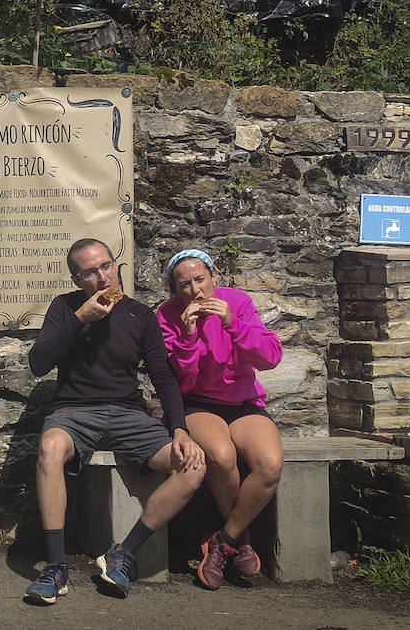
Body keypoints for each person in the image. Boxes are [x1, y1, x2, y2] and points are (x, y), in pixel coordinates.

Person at [23, 238, 206, 605]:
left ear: (116, 264)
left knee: (194, 465)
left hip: (126, 413)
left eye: (106, 265)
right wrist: (79, 320)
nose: (102, 276)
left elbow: (163, 376)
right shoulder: (65, 308)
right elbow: (38, 363)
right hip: (74, 412)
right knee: (49, 447)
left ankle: (123, 553)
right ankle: (56, 566)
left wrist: (180, 429)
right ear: (77, 280)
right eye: (90, 272)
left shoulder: (139, 314)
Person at [157, 248, 284, 591]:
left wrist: (233, 323)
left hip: (243, 402)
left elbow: (271, 357)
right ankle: (241, 542)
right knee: (222, 455)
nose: (195, 291)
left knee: (270, 464)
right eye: (184, 285)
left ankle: (222, 540)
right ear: (175, 290)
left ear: (214, 278)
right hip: (198, 404)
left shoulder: (237, 303)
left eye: (200, 280)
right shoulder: (168, 316)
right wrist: (186, 337)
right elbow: (181, 382)